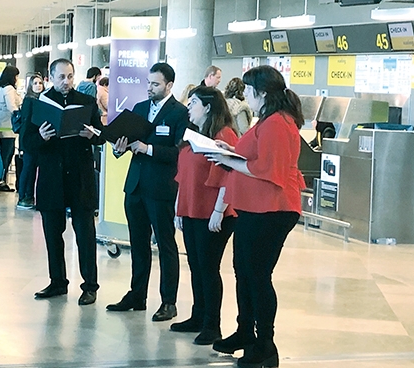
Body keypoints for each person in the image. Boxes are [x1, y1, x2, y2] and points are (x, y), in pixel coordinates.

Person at [207, 65, 305, 368]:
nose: (246, 94)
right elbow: (257, 155)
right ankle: (244, 331)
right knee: (244, 271)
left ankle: (265, 344)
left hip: (273, 209)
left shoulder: (277, 122)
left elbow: (268, 170)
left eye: (250, 89)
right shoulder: (268, 120)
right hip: (256, 206)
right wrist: (230, 150)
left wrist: (227, 160)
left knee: (258, 276)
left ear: (261, 92)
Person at [107, 62, 188, 322]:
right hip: (135, 186)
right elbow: (126, 141)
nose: (150, 88)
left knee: (165, 244)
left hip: (161, 187)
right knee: (138, 243)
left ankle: (168, 301)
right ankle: (137, 294)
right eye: (148, 83)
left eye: (155, 84)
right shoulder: (140, 109)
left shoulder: (180, 113)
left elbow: (180, 153)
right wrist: (120, 148)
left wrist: (148, 149)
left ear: (169, 85)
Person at [20, 58, 103, 306]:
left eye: (69, 76)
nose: (65, 82)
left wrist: (92, 134)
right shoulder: (37, 104)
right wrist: (41, 137)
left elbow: (100, 136)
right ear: (50, 77)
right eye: (61, 77)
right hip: (51, 177)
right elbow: (26, 142)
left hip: (80, 176)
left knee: (85, 233)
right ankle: (57, 281)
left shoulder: (87, 102)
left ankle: (90, 285)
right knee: (52, 233)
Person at [171, 85, 239, 345]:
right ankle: (198, 315)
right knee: (196, 266)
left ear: (208, 107)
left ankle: (213, 324)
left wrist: (219, 211)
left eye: (194, 103)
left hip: (213, 211)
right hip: (191, 208)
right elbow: (183, 176)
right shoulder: (195, 134)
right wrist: (180, 208)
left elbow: (229, 175)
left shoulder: (224, 134)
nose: (189, 107)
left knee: (209, 268)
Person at [16, 74, 44, 209]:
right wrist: (24, 142)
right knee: (28, 169)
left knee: (32, 169)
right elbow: (26, 123)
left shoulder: (42, 100)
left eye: (40, 83)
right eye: (35, 83)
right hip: (30, 140)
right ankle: (24, 197)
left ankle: (30, 196)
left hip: (39, 139)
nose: (38, 86)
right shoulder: (28, 101)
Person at [0, 65, 21, 192]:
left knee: (0, 154)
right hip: (8, 126)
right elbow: (12, 106)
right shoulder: (9, 89)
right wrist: (19, 115)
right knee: (7, 154)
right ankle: (1, 180)